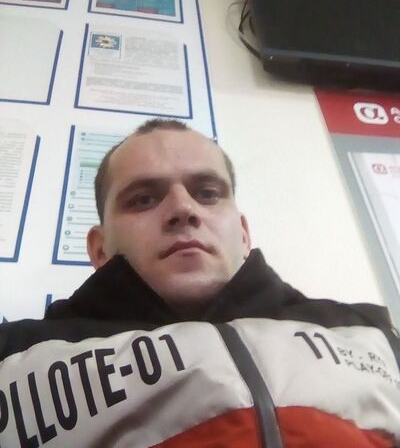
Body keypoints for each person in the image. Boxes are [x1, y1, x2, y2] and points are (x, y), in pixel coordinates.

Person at [0, 118, 399, 447]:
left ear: (243, 233)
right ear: (100, 249)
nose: (182, 208)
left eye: (208, 193)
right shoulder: (13, 359)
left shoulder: (370, 335)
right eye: (143, 199)